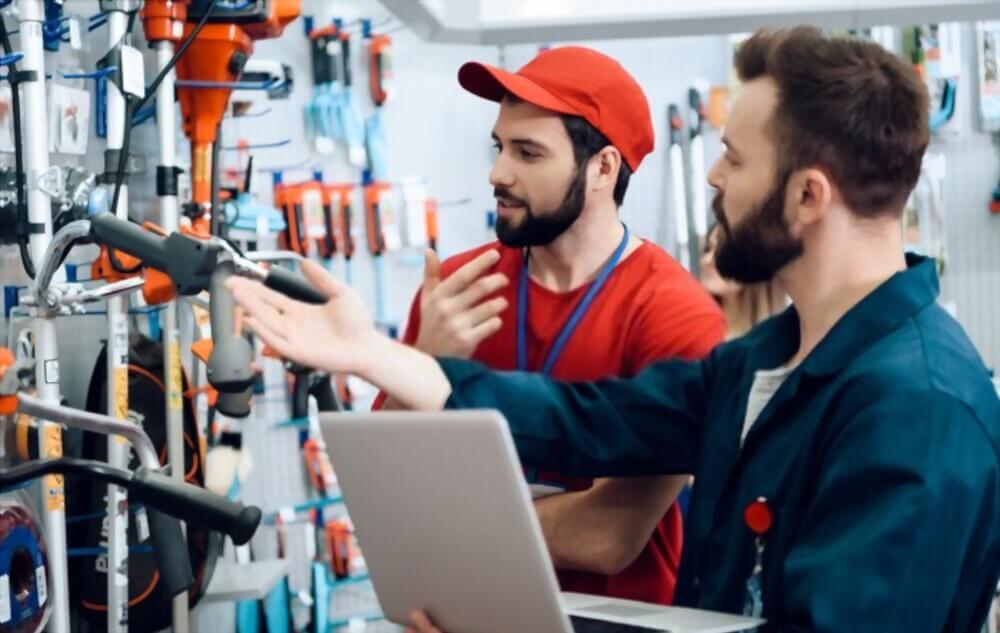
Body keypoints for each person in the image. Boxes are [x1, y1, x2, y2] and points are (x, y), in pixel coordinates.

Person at [230, 27, 1000, 633]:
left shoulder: (916, 411)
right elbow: (582, 421)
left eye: (732, 156)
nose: (710, 175)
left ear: (806, 195)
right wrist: (373, 351)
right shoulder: (766, 363)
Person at [375, 46, 726, 605]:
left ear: (603, 169)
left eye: (528, 153)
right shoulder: (460, 288)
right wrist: (424, 359)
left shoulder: (674, 315)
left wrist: (444, 526)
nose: (498, 173)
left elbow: (608, 537)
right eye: (499, 147)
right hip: (465, 614)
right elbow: (385, 487)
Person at [699, 222, 786, 338]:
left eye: (723, 251)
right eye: (707, 249)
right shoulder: (695, 329)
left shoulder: (786, 339)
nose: (706, 260)